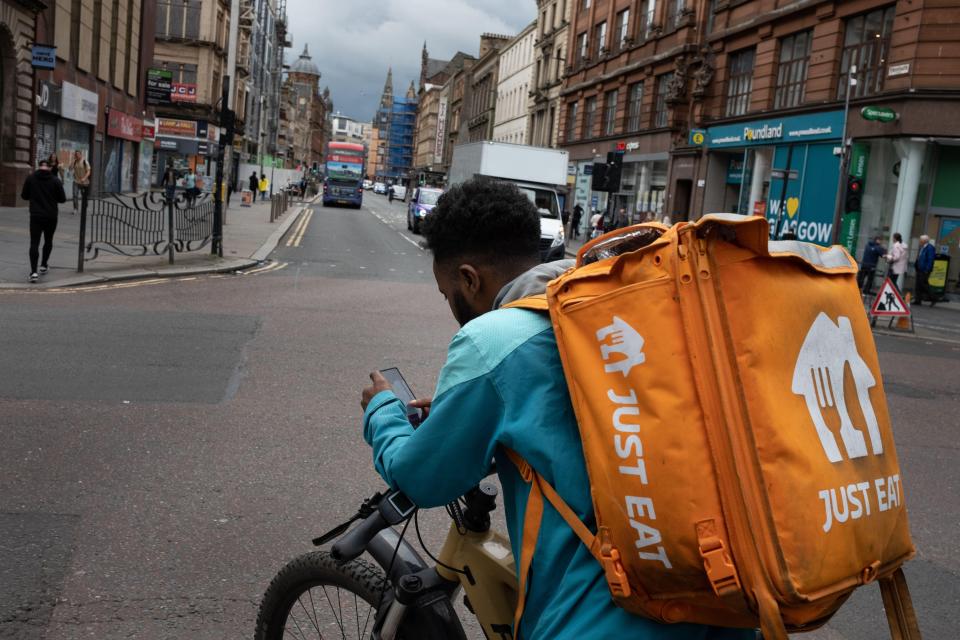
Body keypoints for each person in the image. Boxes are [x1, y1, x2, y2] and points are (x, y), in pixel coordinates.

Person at [360, 179, 753, 640]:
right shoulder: (615, 306)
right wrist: (462, 418)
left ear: (469, 278)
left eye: (448, 294)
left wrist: (384, 411)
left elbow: (420, 478)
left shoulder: (495, 340)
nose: (452, 305)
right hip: (727, 599)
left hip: (605, 619)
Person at [21, 158, 66, 282]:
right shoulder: (55, 180)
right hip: (51, 215)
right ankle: (44, 265)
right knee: (48, 240)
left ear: (38, 166)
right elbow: (62, 199)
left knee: (34, 242)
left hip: (35, 215)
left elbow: (24, 196)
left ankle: (33, 272)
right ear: (49, 168)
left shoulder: (31, 178)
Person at [914, 234, 936, 306]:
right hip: (919, 268)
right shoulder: (922, 247)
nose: (919, 241)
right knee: (918, 285)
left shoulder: (930, 248)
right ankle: (918, 300)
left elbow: (930, 259)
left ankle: (933, 298)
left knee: (924, 284)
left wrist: (927, 269)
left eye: (920, 240)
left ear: (924, 241)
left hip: (924, 269)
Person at [70, 150, 91, 216]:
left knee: (84, 196)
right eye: (75, 154)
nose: (76, 155)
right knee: (75, 195)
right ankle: (75, 208)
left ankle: (85, 206)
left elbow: (88, 171)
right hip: (76, 181)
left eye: (78, 154)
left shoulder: (85, 162)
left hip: (84, 182)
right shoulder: (75, 161)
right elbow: (70, 169)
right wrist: (72, 162)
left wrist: (84, 178)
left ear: (81, 155)